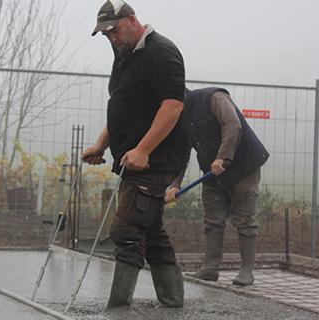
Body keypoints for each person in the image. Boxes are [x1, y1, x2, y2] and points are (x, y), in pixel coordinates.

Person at [83, 0, 187, 309]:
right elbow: (123, 107)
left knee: (127, 228)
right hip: (132, 158)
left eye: (113, 31)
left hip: (156, 158)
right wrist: (102, 144)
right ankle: (172, 302)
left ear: (131, 20)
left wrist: (143, 149)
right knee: (150, 230)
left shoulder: (162, 52)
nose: (111, 39)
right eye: (106, 35)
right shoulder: (124, 54)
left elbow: (173, 106)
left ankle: (117, 307)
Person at [166, 87, 269, 286]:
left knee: (245, 219)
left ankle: (247, 271)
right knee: (212, 220)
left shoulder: (214, 98)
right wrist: (174, 184)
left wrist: (223, 157)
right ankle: (210, 269)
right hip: (212, 173)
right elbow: (182, 152)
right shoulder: (178, 116)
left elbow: (232, 126)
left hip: (243, 167)